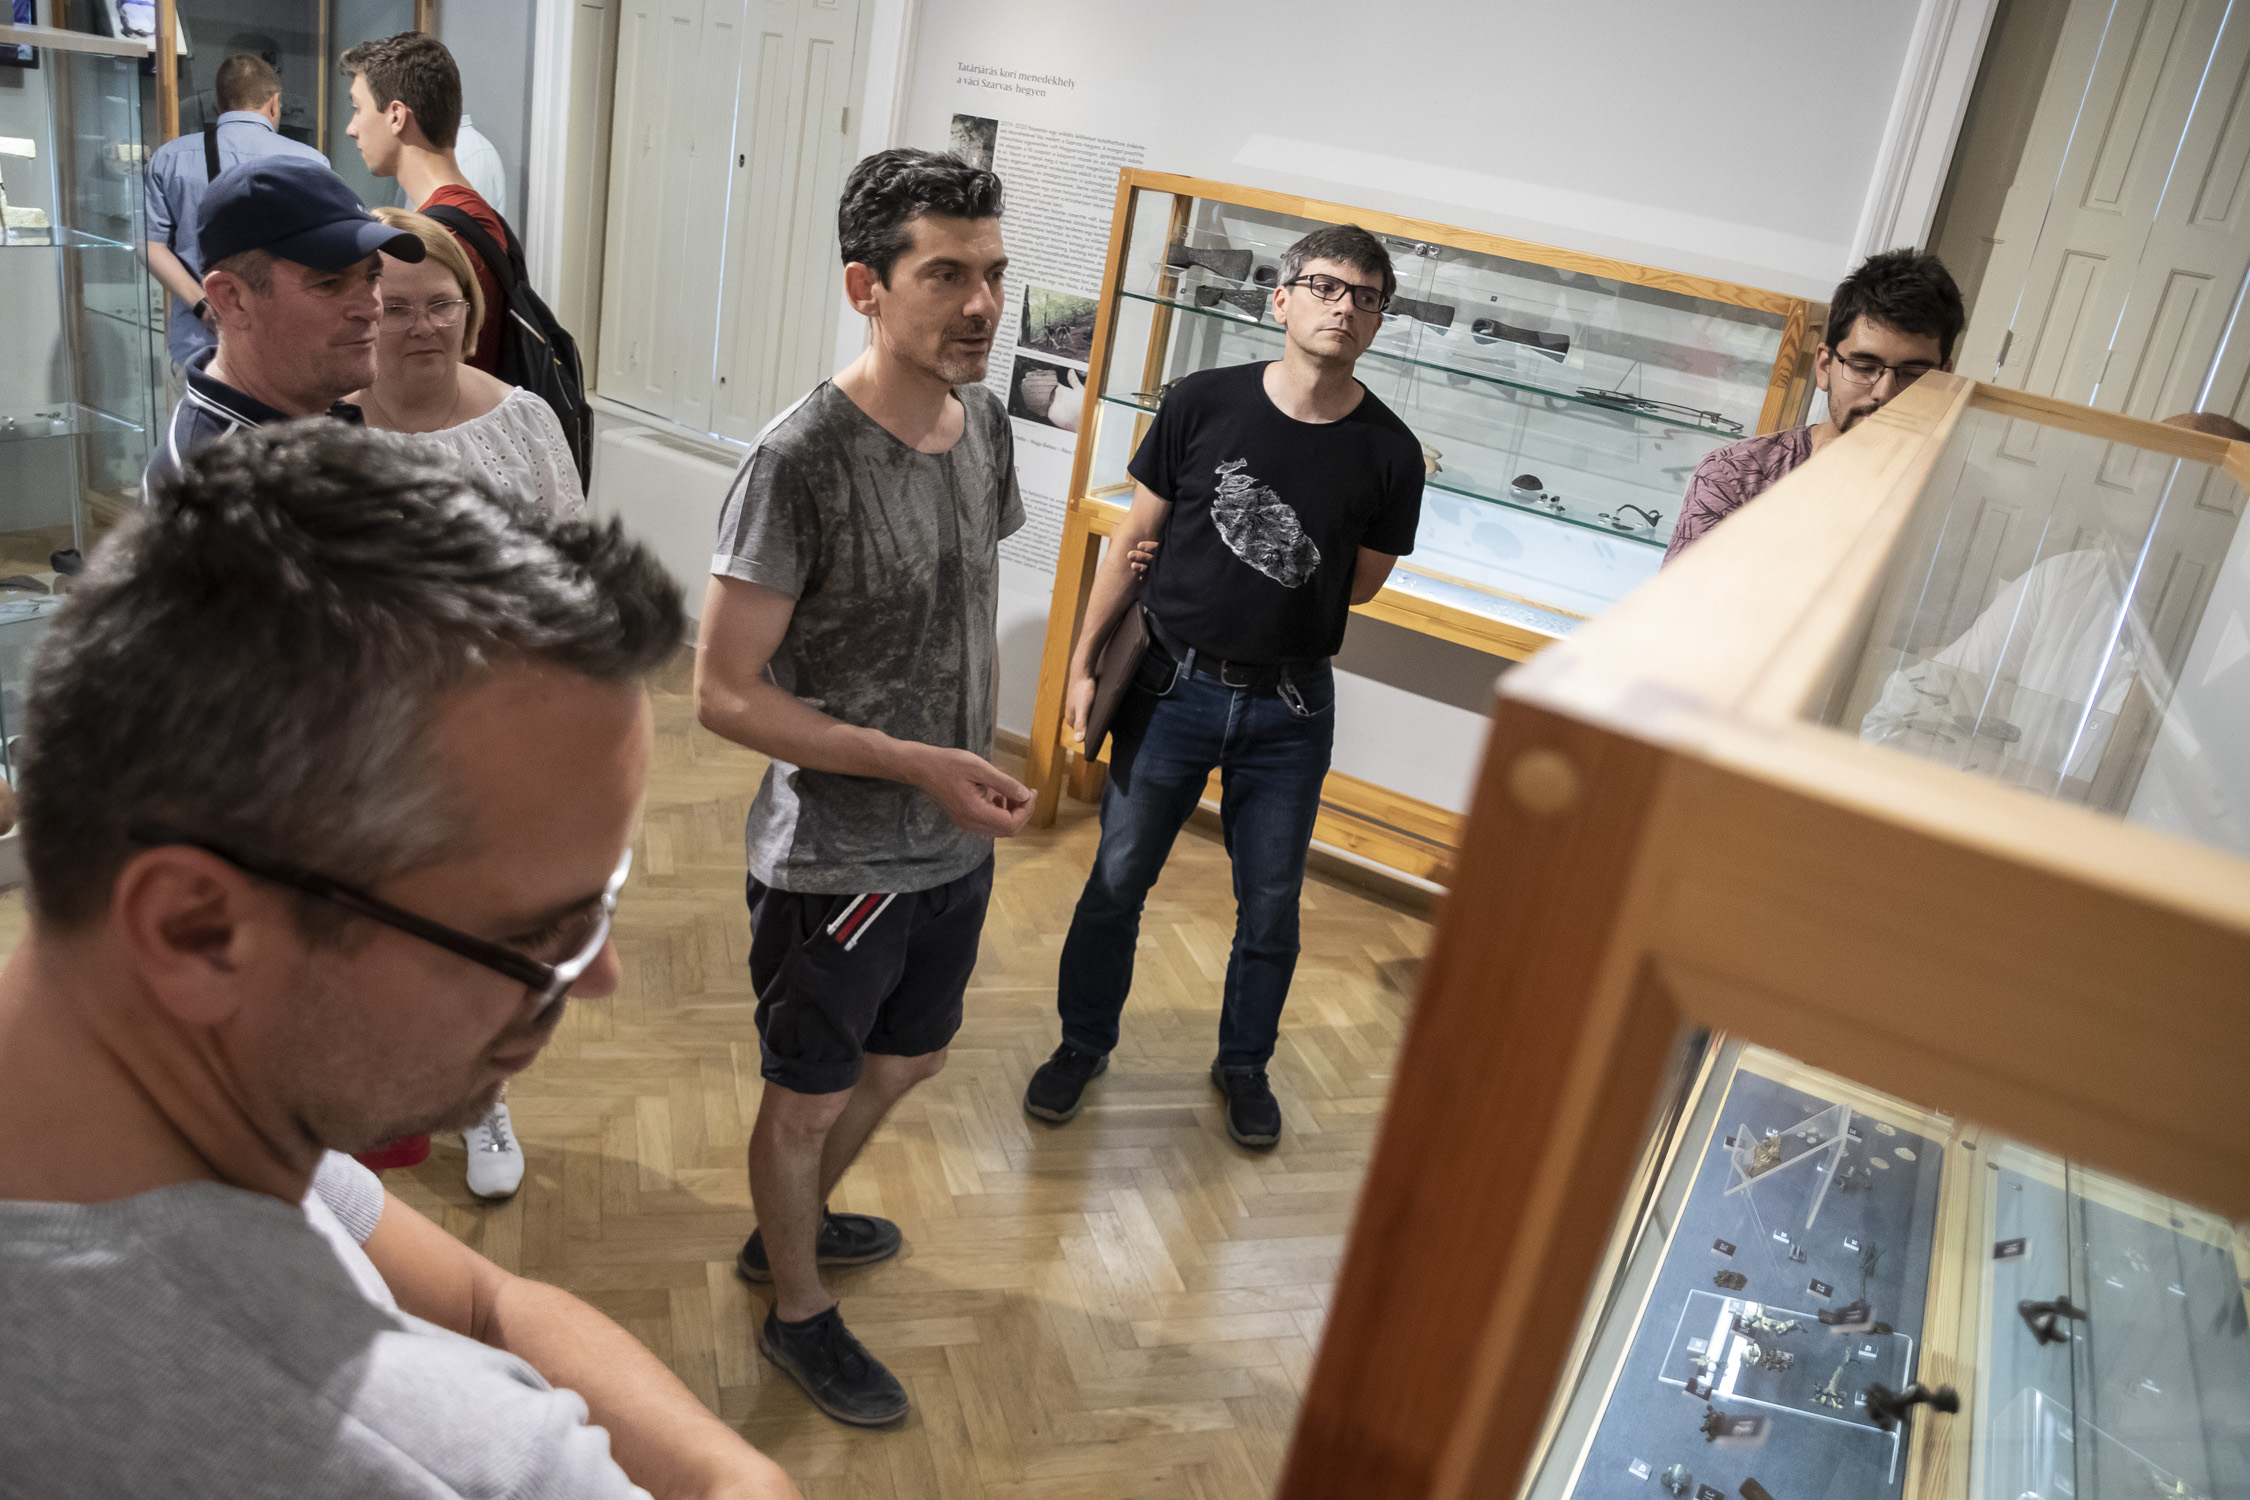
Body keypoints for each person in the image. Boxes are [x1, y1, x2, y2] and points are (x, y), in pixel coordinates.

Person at [0, 423, 797, 1499]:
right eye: (534, 934)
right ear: (196, 930)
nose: (598, 975)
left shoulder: (150, 1104)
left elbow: (483, 1303)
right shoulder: (417, 1458)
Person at [692, 148, 1030, 1427]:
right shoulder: (799, 461)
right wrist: (916, 764)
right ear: (865, 287)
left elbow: (950, 611)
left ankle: (795, 1219)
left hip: (951, 840)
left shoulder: (984, 425)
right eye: (945, 275)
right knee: (807, 1102)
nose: (981, 305)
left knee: (915, 1058)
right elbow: (725, 694)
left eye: (992, 273)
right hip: (833, 858)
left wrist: (967, 759)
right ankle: (796, 1309)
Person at [1023, 224, 1424, 1150]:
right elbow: (1134, 540)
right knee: (1116, 881)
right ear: (1281, 299)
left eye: (1366, 297)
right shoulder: (1203, 402)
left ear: (1378, 321)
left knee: (1271, 906)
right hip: (1172, 686)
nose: (1344, 308)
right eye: (1325, 286)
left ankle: (1244, 1063)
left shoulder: (1391, 452)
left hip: (1290, 707)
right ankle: (1082, 1042)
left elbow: (1360, 586)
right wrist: (1083, 662)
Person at [143, 156, 426, 496]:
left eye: (373, 277)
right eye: (330, 283)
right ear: (233, 298)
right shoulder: (218, 495)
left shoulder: (299, 419)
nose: (373, 308)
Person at [1664, 249, 1965, 563]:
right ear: (1824, 366)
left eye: (1913, 374)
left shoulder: (1958, 497)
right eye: (1863, 366)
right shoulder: (1735, 473)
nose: (1884, 393)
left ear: (1943, 379)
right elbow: (1681, 594)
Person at [353, 207, 582, 522]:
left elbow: (569, 543)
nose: (424, 328)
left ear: (469, 307)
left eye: (442, 304)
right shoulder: (326, 427)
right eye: (395, 309)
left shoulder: (523, 420)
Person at [142, 52, 328, 392]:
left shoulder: (169, 158)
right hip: (284, 345)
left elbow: (149, 246)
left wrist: (204, 305)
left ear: (218, 105)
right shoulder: (310, 162)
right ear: (275, 103)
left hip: (199, 348)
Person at [342, 32, 514, 376]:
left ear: (396, 116)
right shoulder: (475, 216)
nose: (351, 128)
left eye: (358, 109)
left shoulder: (441, 239)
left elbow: (425, 381)